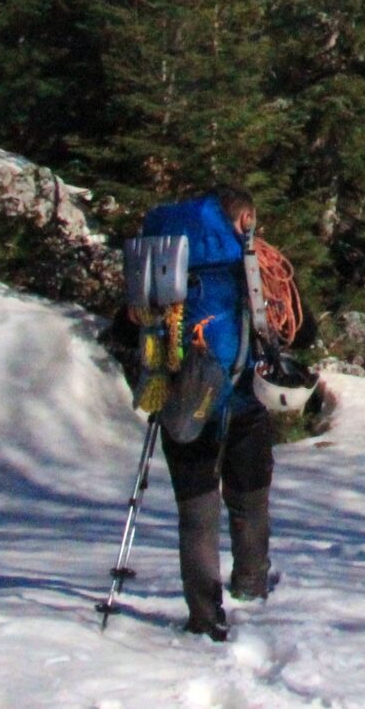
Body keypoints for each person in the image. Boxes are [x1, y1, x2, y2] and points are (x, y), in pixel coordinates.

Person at [136, 186, 317, 640]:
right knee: (250, 496)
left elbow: (125, 328)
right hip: (242, 400)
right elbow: (304, 329)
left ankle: (204, 617)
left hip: (180, 401)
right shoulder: (255, 262)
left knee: (196, 514)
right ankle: (251, 586)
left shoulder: (158, 256)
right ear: (245, 217)